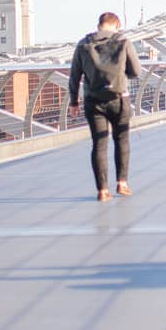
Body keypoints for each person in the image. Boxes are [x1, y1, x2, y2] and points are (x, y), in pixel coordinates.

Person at [68, 12, 141, 201]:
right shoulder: (123, 41)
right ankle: (122, 183)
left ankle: (102, 190)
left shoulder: (83, 44)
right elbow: (136, 71)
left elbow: (75, 76)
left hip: (93, 100)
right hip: (119, 99)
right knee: (121, 139)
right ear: (116, 25)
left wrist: (74, 102)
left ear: (99, 25)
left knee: (99, 144)